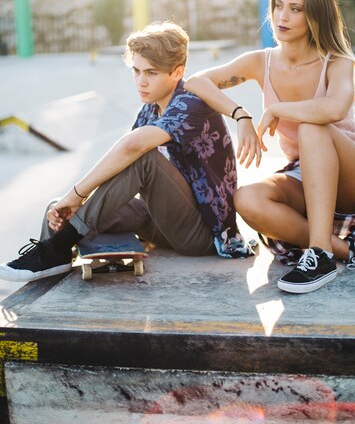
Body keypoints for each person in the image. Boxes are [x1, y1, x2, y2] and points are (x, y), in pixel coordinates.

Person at [185, 0, 355, 294]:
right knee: (246, 199)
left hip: (354, 176)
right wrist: (240, 114)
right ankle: (350, 251)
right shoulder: (262, 62)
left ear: (315, 15)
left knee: (312, 128)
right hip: (305, 175)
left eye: (295, 8)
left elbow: (332, 109)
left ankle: (320, 255)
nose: (282, 16)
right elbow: (195, 81)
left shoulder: (336, 61)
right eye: (278, 5)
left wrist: (277, 109)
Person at [0, 22, 253, 283]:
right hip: (160, 222)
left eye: (152, 73)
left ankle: (55, 249)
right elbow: (122, 163)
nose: (141, 81)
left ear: (177, 72)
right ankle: (52, 260)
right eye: (136, 71)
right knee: (59, 210)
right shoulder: (151, 109)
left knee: (143, 156)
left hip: (202, 234)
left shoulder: (191, 102)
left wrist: (78, 194)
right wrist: (73, 202)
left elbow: (134, 149)